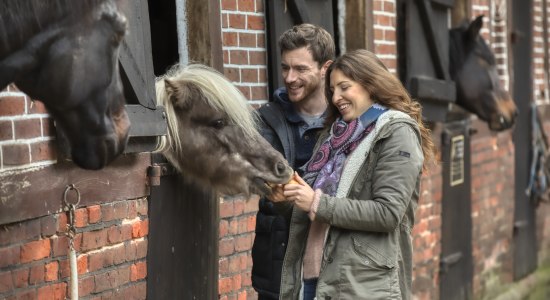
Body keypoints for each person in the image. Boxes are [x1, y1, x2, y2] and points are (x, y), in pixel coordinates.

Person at [277, 49, 436, 299]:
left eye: (344, 87)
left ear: (370, 85)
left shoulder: (396, 133)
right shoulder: (334, 135)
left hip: (361, 285)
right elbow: (311, 204)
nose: (336, 97)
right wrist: (289, 196)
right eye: (332, 90)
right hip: (313, 276)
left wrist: (316, 203)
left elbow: (388, 213)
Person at [251, 24, 335, 300]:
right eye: (285, 68)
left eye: (300, 69)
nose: (290, 77)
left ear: (325, 68)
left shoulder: (345, 120)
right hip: (278, 255)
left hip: (332, 255)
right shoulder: (265, 119)